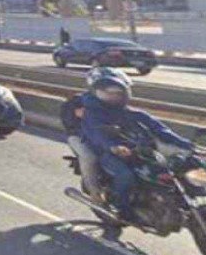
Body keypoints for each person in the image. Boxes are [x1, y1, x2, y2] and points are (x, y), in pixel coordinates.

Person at [79, 70, 199, 223]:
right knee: (126, 176)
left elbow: (161, 130)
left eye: (118, 93)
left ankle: (167, 205)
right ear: (97, 93)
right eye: (108, 93)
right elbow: (96, 135)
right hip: (109, 154)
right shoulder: (93, 114)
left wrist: (189, 145)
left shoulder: (135, 114)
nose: (113, 96)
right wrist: (113, 147)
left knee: (169, 171)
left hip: (141, 152)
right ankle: (122, 209)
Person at [62, 67, 121, 200]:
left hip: (106, 136)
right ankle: (95, 192)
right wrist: (80, 118)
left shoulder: (115, 103)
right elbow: (68, 120)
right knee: (89, 157)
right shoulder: (79, 101)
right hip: (79, 136)